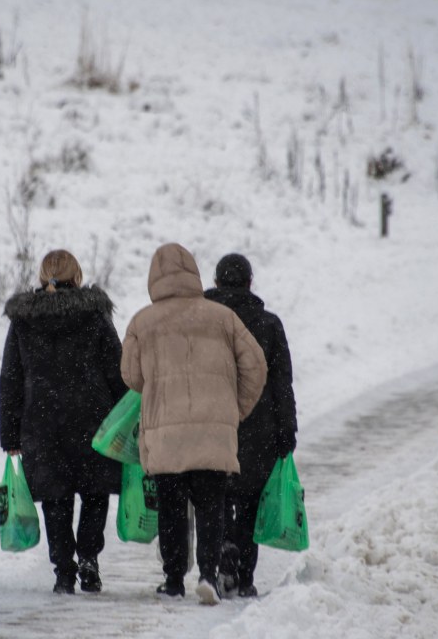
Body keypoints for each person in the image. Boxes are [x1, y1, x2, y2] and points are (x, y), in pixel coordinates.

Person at [120, 243, 267, 605]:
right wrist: (234, 411)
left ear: (154, 278)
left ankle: (172, 580)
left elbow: (131, 376)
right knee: (211, 506)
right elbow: (256, 366)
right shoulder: (222, 317)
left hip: (167, 433)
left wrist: (159, 384)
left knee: (170, 507)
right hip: (212, 432)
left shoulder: (142, 322)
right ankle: (208, 575)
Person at [0, 249, 128, 595]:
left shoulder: (24, 320)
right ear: (78, 276)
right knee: (94, 491)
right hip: (92, 421)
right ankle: (88, 556)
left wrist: (10, 434)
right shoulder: (95, 315)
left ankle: (63, 570)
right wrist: (128, 419)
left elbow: (10, 379)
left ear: (43, 279)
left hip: (42, 423)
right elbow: (117, 372)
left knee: (56, 498)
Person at [205, 253, 298, 598]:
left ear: (216, 282)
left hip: (212, 422)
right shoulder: (268, 324)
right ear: (249, 282)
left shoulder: (204, 322)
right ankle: (244, 576)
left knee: (215, 497)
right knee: (248, 502)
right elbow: (281, 383)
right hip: (257, 427)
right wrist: (287, 428)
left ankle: (221, 557)